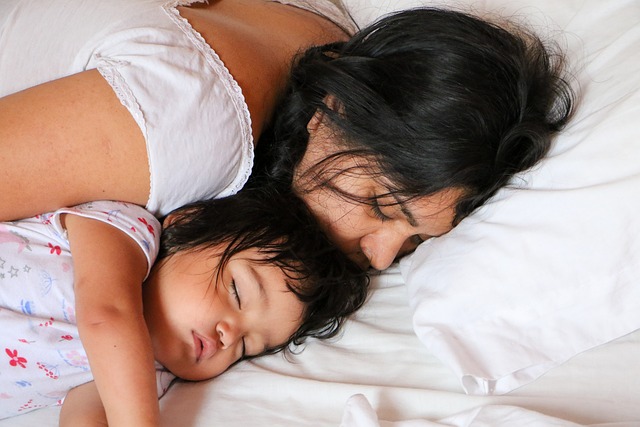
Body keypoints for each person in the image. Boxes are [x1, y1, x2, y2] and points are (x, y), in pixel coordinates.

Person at [0, 3, 575, 270]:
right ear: (337, 108)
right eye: (381, 205)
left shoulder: (323, 28)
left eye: (412, 242)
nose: (378, 260)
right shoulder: (191, 127)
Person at [0, 188, 368, 425]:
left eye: (246, 346)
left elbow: (84, 415)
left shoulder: (155, 377)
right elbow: (107, 315)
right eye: (238, 292)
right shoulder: (127, 230)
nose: (229, 335)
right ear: (187, 224)